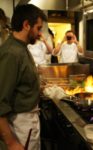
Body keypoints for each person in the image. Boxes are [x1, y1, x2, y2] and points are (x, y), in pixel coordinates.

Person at [0, 4, 47, 150]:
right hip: (19, 126)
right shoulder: (12, 53)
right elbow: (0, 102)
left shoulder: (21, 47)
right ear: (26, 25)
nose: (40, 33)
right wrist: (11, 143)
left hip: (27, 123)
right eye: (38, 28)